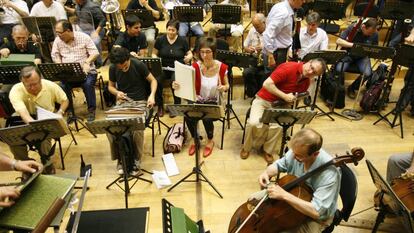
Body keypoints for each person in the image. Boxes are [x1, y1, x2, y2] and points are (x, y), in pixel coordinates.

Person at [240, 58, 326, 163]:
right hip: (264, 100)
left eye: (314, 72)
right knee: (254, 123)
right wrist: (285, 96)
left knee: (279, 126)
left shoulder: (306, 82)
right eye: (311, 67)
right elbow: (267, 84)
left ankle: (268, 150)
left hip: (281, 104)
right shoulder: (289, 67)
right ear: (309, 61)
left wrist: (291, 102)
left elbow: (295, 97)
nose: (310, 71)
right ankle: (246, 147)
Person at [257, 128, 341, 233]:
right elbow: (280, 164)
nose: (293, 156)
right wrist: (266, 173)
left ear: (315, 154)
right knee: (253, 200)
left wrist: (284, 195)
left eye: (299, 156)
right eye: (293, 152)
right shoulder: (296, 151)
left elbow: (316, 211)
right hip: (294, 197)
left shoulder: (330, 174)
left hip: (316, 218)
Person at [172, 37, 229, 157]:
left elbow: (227, 85)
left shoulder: (222, 67)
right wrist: (176, 85)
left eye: (208, 52)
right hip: (198, 99)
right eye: (202, 52)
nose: (204, 55)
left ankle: (210, 140)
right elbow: (185, 84)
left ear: (214, 52)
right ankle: (195, 138)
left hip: (214, 102)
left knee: (206, 117)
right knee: (187, 115)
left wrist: (223, 88)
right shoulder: (195, 66)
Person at [8, 66, 69, 174]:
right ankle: (26, 165)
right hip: (24, 119)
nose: (32, 88)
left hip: (45, 118)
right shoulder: (16, 90)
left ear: (40, 78)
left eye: (35, 84)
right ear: (22, 82)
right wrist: (34, 125)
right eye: (28, 85)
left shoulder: (50, 85)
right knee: (13, 140)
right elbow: (24, 114)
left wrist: (59, 113)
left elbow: (65, 100)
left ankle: (47, 163)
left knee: (44, 137)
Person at [107, 47, 157, 175]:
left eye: (124, 66)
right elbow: (110, 87)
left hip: (140, 103)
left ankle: (136, 160)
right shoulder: (113, 67)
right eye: (120, 67)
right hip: (123, 103)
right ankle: (120, 158)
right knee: (110, 128)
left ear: (128, 59)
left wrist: (151, 95)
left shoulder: (138, 64)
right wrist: (117, 92)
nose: (122, 69)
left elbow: (153, 80)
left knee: (137, 128)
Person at [51, 19, 99, 121]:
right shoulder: (58, 40)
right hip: (68, 73)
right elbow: (54, 55)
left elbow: (95, 53)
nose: (58, 35)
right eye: (57, 32)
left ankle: (91, 110)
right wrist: (60, 65)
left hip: (86, 72)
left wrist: (87, 62)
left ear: (68, 31)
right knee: (63, 86)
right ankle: (70, 112)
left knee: (88, 84)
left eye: (60, 32)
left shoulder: (84, 37)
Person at [153, 19, 193, 116]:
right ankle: (160, 106)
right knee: (157, 80)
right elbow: (154, 53)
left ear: (177, 31)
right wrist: (155, 59)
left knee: (175, 81)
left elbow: (189, 53)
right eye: (169, 29)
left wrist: (189, 57)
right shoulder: (160, 39)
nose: (170, 32)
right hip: (163, 67)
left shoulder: (182, 40)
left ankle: (176, 105)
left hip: (177, 68)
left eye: (173, 30)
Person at [335, 18, 378, 99]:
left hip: (362, 57)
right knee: (338, 69)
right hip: (348, 54)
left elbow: (375, 48)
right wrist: (354, 46)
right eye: (369, 33)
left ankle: (352, 88)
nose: (370, 35)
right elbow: (338, 41)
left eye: (372, 33)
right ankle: (340, 89)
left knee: (368, 73)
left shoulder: (374, 33)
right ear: (363, 27)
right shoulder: (353, 28)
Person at [263, 0, 305, 69]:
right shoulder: (283, 13)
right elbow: (268, 34)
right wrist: (270, 56)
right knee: (273, 78)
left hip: (278, 51)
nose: (303, 2)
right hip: (275, 53)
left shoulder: (282, 6)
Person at [65, 0, 106, 66]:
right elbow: (77, 12)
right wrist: (67, 9)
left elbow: (103, 20)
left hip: (96, 30)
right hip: (83, 30)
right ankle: (81, 61)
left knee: (94, 41)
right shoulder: (78, 5)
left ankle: (98, 63)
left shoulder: (93, 7)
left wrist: (96, 32)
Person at [242, 13, 266, 98]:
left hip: (266, 60)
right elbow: (245, 45)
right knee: (247, 72)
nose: (256, 29)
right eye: (255, 26)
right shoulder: (252, 30)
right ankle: (253, 93)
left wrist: (263, 48)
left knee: (265, 74)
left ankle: (261, 94)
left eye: (258, 26)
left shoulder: (270, 32)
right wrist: (248, 49)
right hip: (254, 58)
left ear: (264, 23)